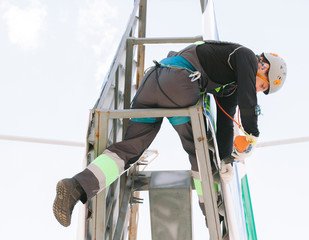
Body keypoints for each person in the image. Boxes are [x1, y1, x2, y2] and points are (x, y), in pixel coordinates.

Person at [53, 40, 287, 227]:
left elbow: (226, 124)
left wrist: (226, 159)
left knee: (130, 150)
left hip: (151, 83)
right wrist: (252, 135)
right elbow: (248, 98)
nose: (259, 90)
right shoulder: (245, 55)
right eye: (264, 85)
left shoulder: (231, 87)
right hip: (180, 85)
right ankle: (213, 216)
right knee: (200, 153)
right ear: (264, 66)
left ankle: (76, 187)